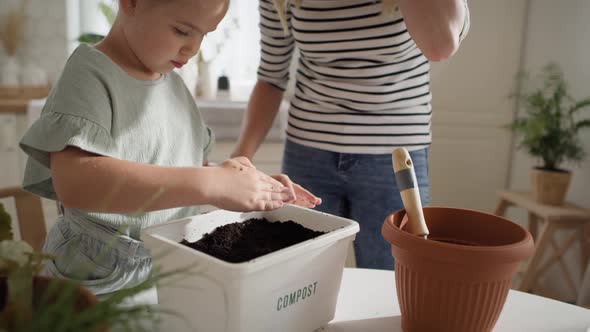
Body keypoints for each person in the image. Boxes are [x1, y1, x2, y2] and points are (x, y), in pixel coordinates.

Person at [19, 0, 320, 303]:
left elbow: (184, 173)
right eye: (182, 30)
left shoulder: (173, 86)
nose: (193, 48)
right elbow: (76, 183)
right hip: (97, 275)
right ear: (131, 3)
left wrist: (249, 186)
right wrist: (213, 182)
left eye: (205, 35)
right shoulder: (90, 74)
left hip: (169, 263)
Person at [232, 0, 470, 270]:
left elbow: (441, 44)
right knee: (299, 275)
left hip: (393, 159)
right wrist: (241, 157)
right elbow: (271, 77)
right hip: (308, 154)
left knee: (393, 279)